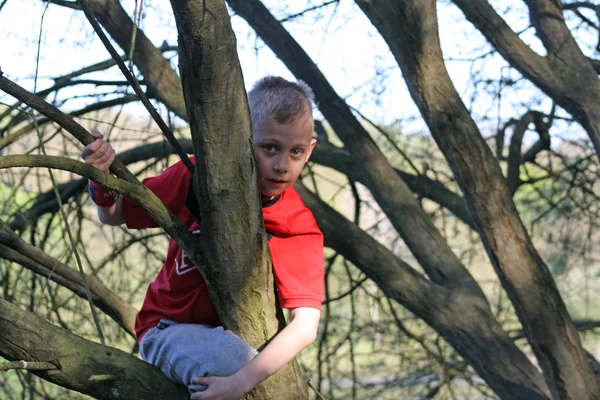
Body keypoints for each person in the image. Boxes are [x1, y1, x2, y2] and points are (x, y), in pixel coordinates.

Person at [81, 76, 324, 400]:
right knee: (234, 363)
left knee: (260, 377)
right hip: (166, 329)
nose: (282, 165)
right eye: (270, 148)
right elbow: (114, 214)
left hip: (229, 339)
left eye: (295, 152)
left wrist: (240, 383)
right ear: (242, 138)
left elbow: (306, 326)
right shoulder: (197, 178)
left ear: (309, 152)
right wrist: (102, 177)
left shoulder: (297, 226)